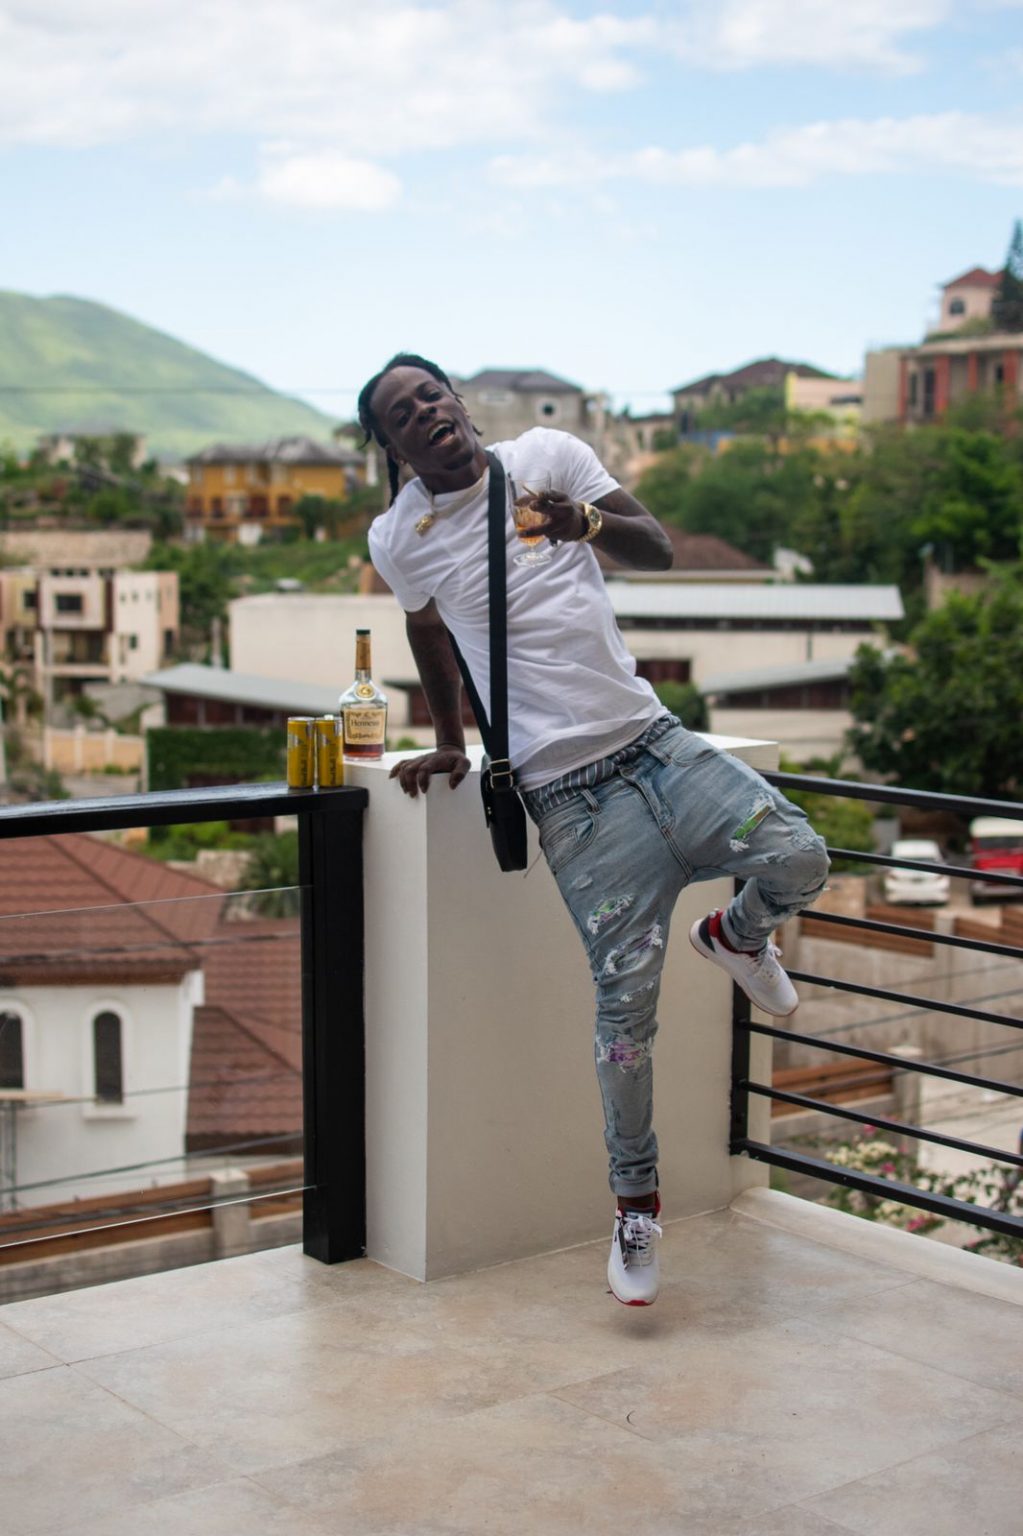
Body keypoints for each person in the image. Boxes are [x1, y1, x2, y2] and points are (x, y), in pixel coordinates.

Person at [360, 353, 829, 1306]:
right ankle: (635, 1205)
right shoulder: (400, 536)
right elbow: (426, 631)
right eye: (401, 415)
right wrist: (450, 740)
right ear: (392, 448)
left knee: (800, 854)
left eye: (429, 395)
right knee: (624, 1020)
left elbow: (655, 548)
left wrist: (584, 522)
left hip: (654, 743)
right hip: (567, 797)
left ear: (457, 401)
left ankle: (734, 936)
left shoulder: (549, 455)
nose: (425, 414)